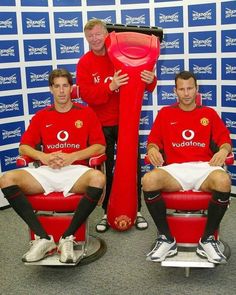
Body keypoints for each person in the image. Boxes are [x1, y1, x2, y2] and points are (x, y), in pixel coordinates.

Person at [0, 68, 106, 263]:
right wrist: (44, 156)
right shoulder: (42, 116)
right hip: (48, 170)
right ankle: (42, 238)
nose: (62, 91)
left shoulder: (86, 113)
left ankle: (67, 237)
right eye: (57, 86)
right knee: (6, 179)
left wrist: (73, 156)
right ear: (51, 89)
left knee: (98, 178)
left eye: (65, 86)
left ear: (71, 88)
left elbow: (100, 145)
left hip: (75, 172)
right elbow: (23, 147)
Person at [142, 70, 232, 264]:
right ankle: (166, 238)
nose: (186, 93)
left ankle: (207, 239)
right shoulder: (165, 113)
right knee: (148, 180)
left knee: (224, 180)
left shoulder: (208, 113)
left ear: (196, 89)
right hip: (175, 170)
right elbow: (153, 142)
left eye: (190, 88)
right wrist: (152, 150)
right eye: (181, 89)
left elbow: (225, 141)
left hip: (204, 168)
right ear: (175, 91)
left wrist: (224, 151)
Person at [76, 18, 157, 232]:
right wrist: (110, 86)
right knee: (107, 170)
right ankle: (106, 212)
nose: (94, 39)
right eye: (90, 36)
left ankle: (136, 209)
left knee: (132, 166)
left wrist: (150, 79)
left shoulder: (121, 54)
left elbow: (147, 83)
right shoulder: (85, 63)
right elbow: (87, 95)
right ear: (86, 38)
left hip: (126, 123)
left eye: (98, 34)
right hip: (101, 125)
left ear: (107, 35)